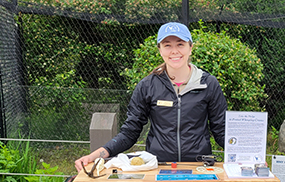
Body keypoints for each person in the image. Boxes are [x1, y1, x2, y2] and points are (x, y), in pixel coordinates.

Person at [74, 22, 227, 172]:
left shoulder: (208, 84)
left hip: (198, 168)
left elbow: (221, 131)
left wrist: (246, 153)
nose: (174, 51)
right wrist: (94, 156)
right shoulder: (147, 85)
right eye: (167, 45)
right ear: (160, 50)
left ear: (190, 48)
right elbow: (130, 132)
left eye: (180, 44)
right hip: (158, 168)